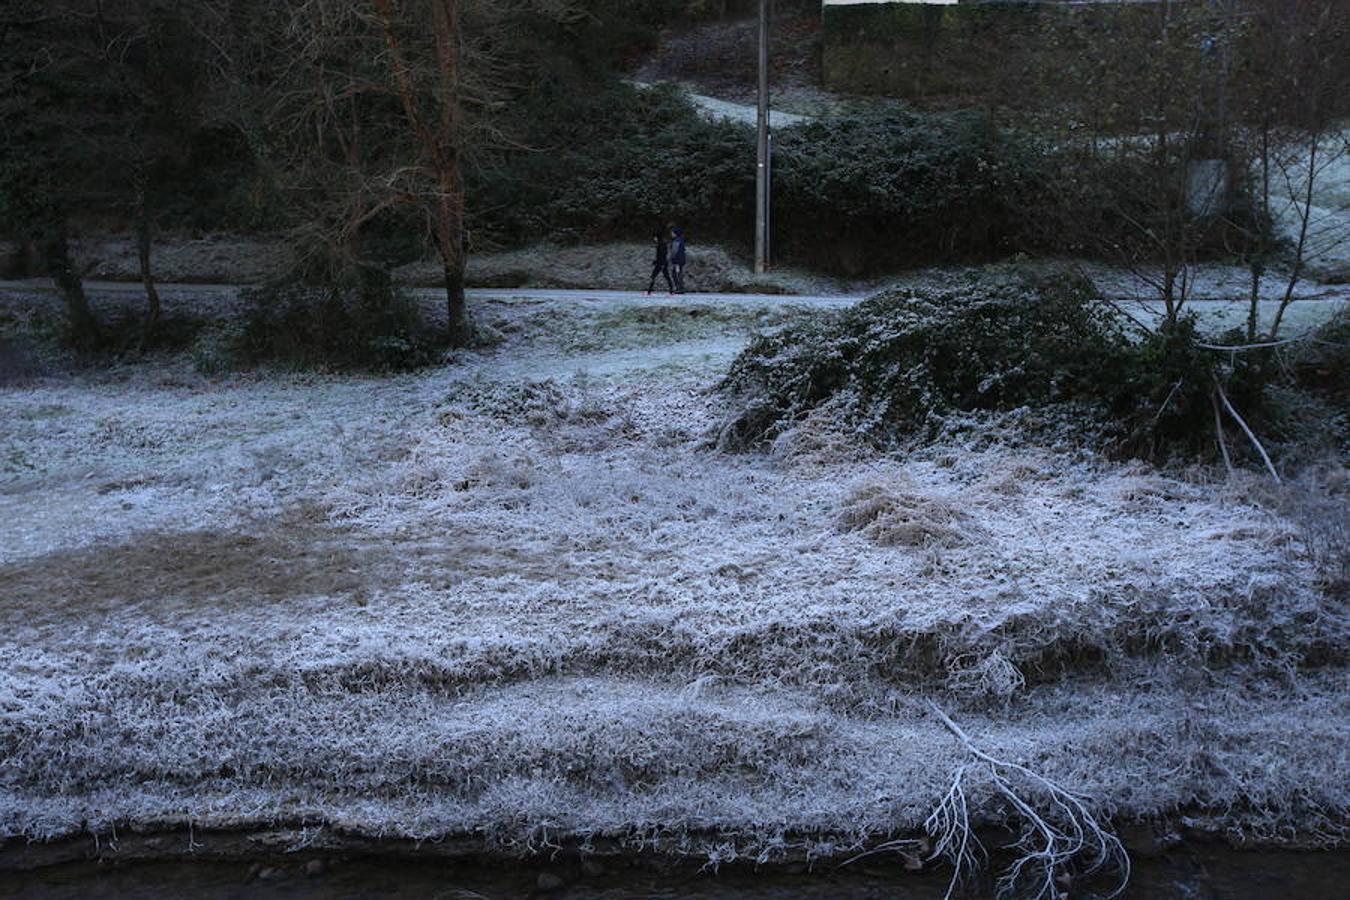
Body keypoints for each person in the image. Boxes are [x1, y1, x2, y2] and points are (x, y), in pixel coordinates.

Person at [646, 230, 672, 295]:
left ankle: (649, 291)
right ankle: (671, 290)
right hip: (661, 263)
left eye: (654, 237)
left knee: (654, 276)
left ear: (657, 237)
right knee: (665, 276)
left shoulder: (661, 245)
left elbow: (662, 255)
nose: (654, 239)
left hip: (661, 263)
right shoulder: (661, 244)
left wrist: (661, 263)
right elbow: (660, 255)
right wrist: (656, 261)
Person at [669, 226, 687, 294]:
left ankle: (679, 288)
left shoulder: (676, 240)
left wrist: (671, 258)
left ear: (676, 233)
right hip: (680, 259)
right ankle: (680, 288)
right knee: (678, 273)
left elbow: (674, 250)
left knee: (676, 273)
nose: (671, 234)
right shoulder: (681, 239)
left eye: (672, 233)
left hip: (677, 260)